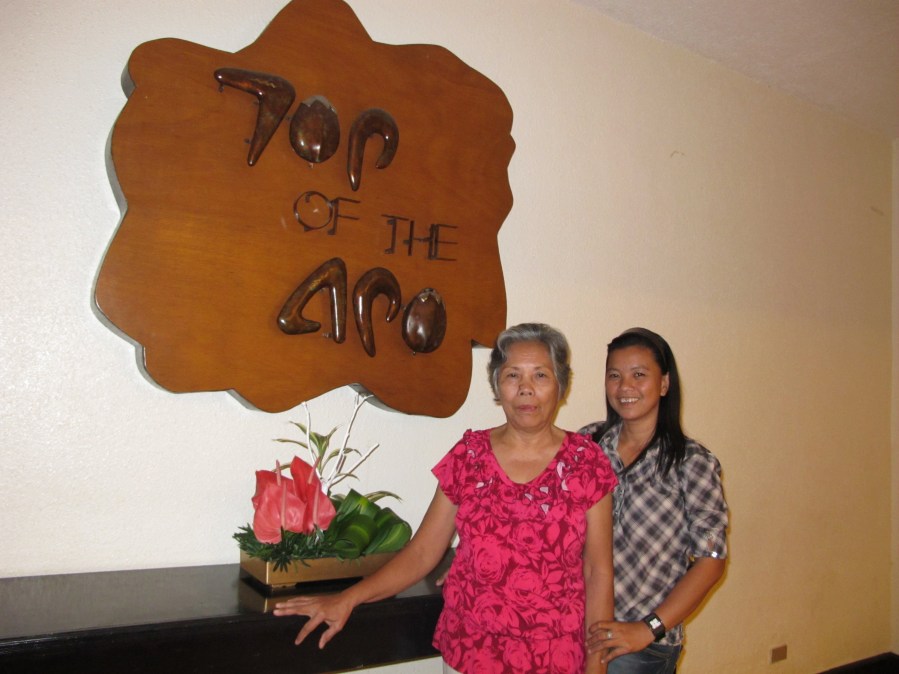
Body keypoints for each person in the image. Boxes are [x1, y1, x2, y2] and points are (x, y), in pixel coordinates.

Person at [273, 323, 618, 673]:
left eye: (540, 375)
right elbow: (423, 552)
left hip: (556, 657)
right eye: (513, 375)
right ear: (497, 385)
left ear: (560, 384)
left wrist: (597, 664)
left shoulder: (586, 462)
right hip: (470, 651)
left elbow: (598, 571)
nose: (525, 388)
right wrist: (347, 599)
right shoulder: (469, 456)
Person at [580, 327, 728, 674]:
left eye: (639, 375)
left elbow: (711, 559)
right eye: (614, 375)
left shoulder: (692, 463)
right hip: (579, 628)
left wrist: (649, 628)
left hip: (640, 646)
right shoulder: (588, 444)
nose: (625, 387)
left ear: (664, 384)